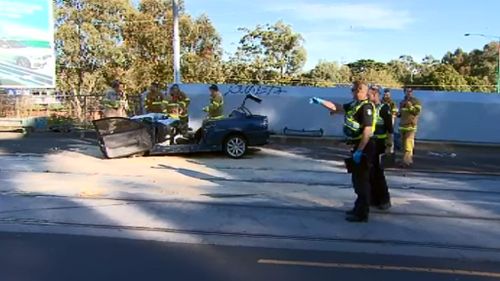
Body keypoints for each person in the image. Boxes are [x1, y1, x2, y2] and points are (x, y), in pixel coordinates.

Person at [310, 80, 375, 222]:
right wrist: (321, 102)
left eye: (354, 90)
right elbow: (337, 108)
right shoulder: (354, 105)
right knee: (357, 180)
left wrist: (360, 151)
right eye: (352, 90)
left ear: (361, 91)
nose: (352, 92)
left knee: (362, 181)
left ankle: (362, 213)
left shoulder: (366, 107)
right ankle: (358, 208)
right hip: (356, 146)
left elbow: (367, 131)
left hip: (364, 146)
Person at [368, 86, 393, 210]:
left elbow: (390, 129)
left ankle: (384, 199)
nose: (368, 97)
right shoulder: (368, 108)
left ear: (376, 95)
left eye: (370, 95)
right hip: (369, 143)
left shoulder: (384, 108)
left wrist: (389, 146)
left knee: (378, 172)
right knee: (370, 172)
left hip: (379, 144)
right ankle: (373, 198)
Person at [398, 87, 422, 167]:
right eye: (407, 91)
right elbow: (400, 114)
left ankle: (406, 162)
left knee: (408, 145)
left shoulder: (416, 101)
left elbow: (417, 112)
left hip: (410, 127)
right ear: (404, 92)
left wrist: (410, 107)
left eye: (410, 91)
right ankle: (408, 160)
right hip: (402, 126)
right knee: (404, 146)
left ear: (412, 92)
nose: (409, 93)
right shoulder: (402, 102)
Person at [383, 89, 397, 154]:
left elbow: (395, 112)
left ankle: (390, 151)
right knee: (383, 137)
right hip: (382, 122)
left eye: (387, 94)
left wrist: (392, 118)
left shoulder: (392, 103)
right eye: (385, 94)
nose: (386, 96)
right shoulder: (381, 102)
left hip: (390, 121)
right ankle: (383, 150)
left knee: (390, 137)